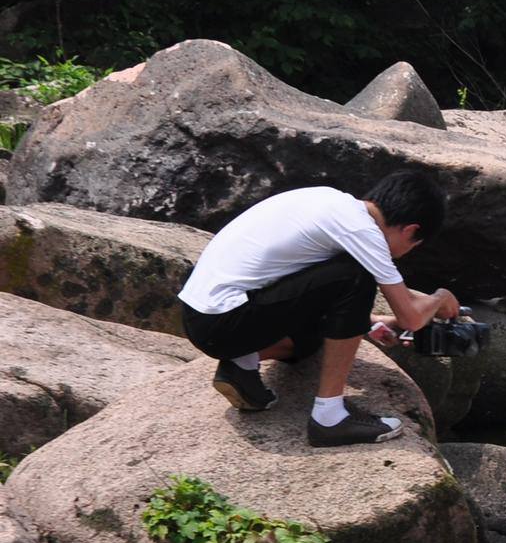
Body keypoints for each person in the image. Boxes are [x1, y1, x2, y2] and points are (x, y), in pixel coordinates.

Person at [176, 170, 462, 448]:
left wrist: (369, 323)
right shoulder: (363, 231)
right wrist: (440, 298)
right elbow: (411, 317)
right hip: (224, 320)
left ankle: (242, 364)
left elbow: (307, 286)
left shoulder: (328, 200)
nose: (405, 253)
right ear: (412, 230)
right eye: (413, 246)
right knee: (355, 276)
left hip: (201, 315)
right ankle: (329, 418)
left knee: (314, 340)